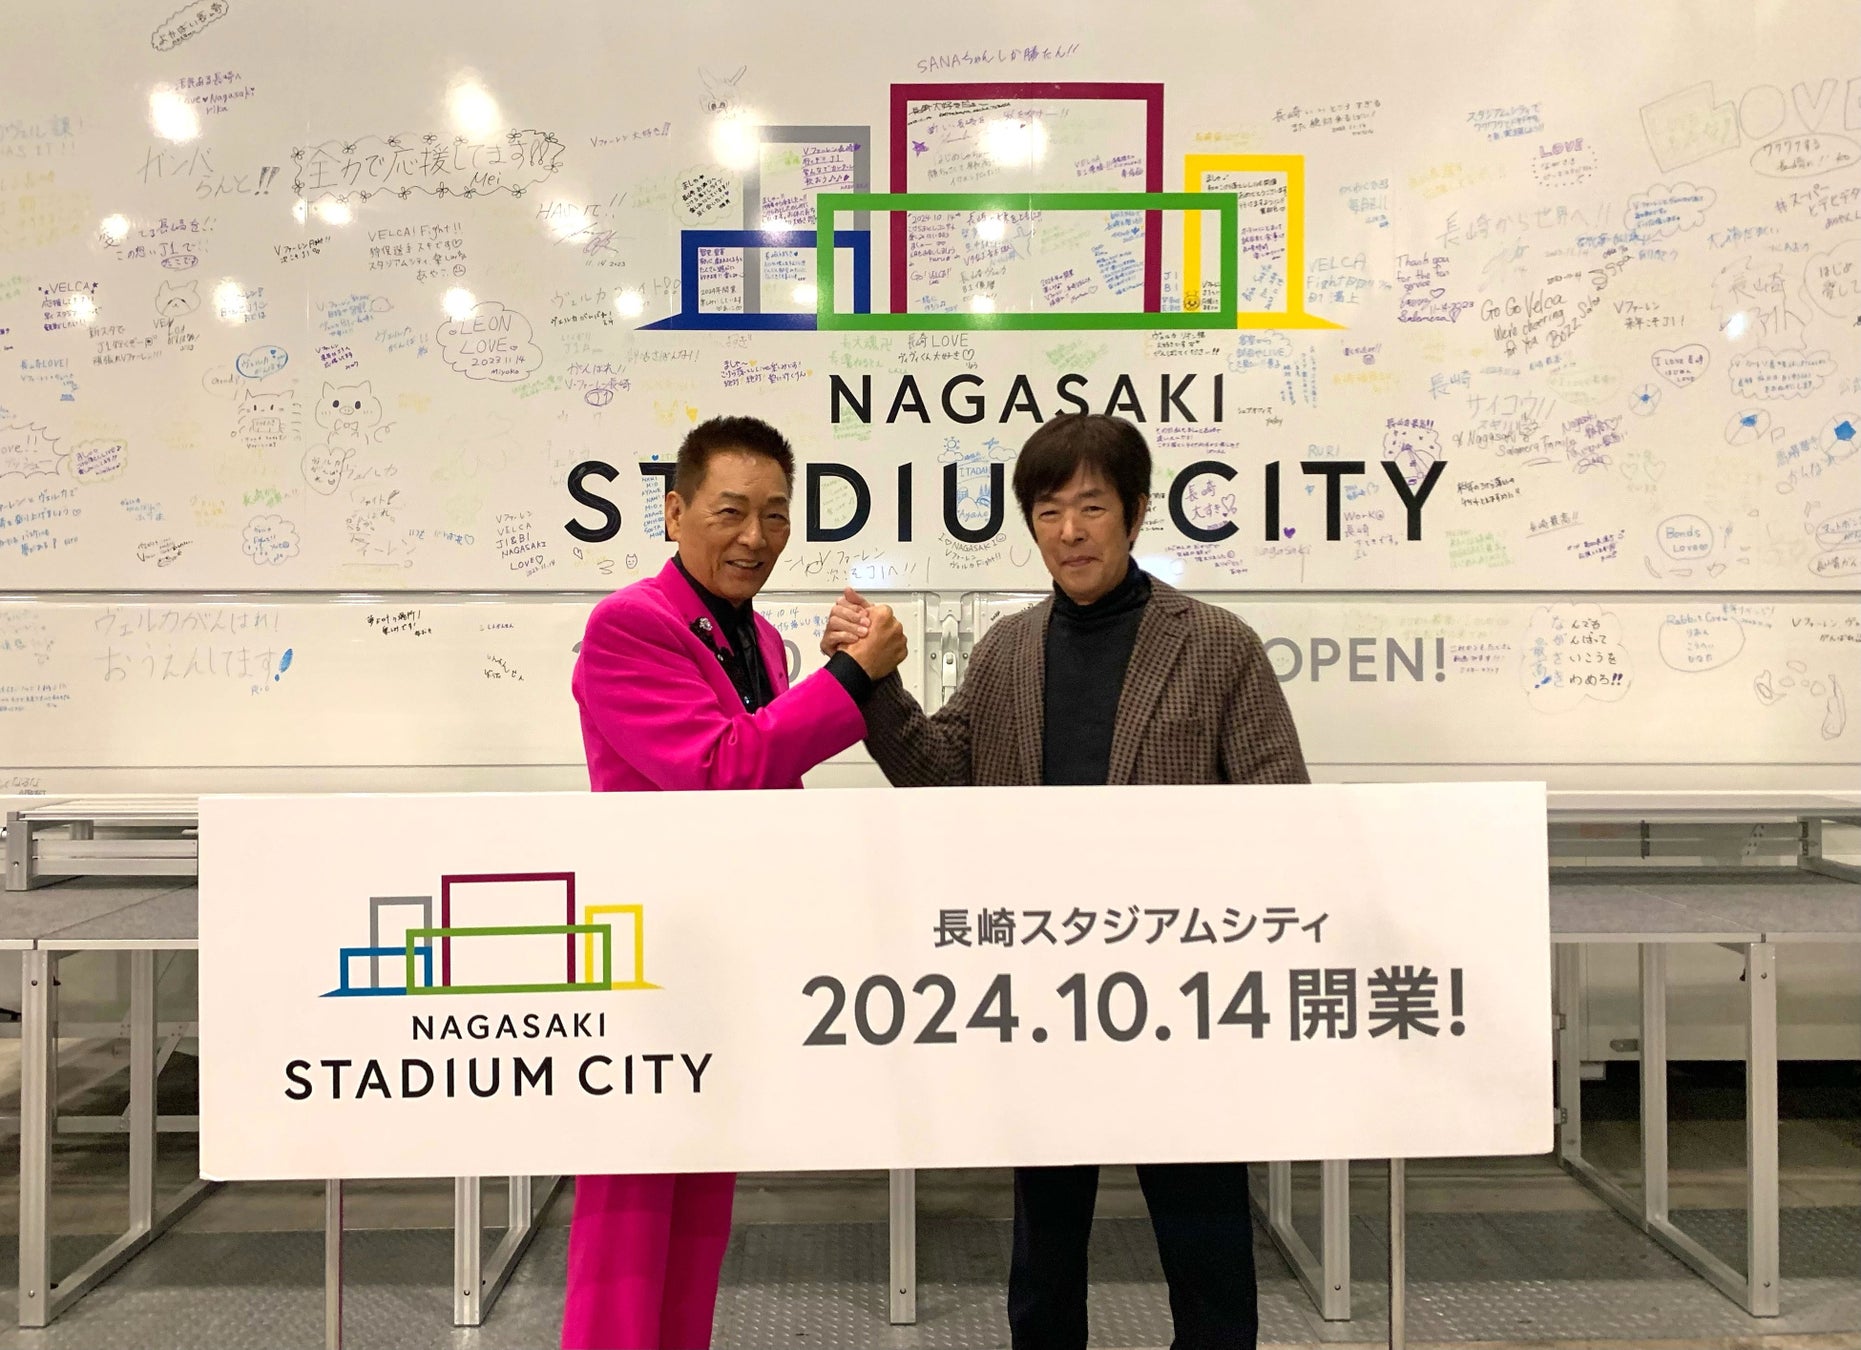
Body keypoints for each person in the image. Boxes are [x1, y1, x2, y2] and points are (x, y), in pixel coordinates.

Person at [823, 413, 1307, 1350]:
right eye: (1049, 511)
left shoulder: (1217, 644)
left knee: (1203, 1228)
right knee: (1044, 1243)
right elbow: (939, 773)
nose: (1070, 531)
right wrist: (869, 681)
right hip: (1046, 986)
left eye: (1092, 507)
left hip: (1183, 990)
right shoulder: (1008, 648)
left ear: (1135, 512)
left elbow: (1281, 809)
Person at [566, 414, 906, 1350]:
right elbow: (721, 768)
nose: (755, 537)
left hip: (720, 958)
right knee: (629, 1216)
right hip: (643, 958)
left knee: (699, 1207)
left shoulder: (757, 637)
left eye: (775, 515)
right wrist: (851, 680)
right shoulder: (630, 623)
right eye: (730, 512)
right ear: (674, 513)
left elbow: (765, 780)